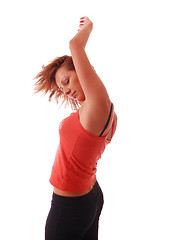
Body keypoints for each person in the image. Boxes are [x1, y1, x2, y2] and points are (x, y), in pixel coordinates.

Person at [34, 16, 117, 240]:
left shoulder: (97, 105)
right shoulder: (95, 110)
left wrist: (87, 27)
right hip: (88, 197)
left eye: (67, 80)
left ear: (82, 70)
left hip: (69, 207)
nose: (65, 90)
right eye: (61, 87)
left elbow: (75, 45)